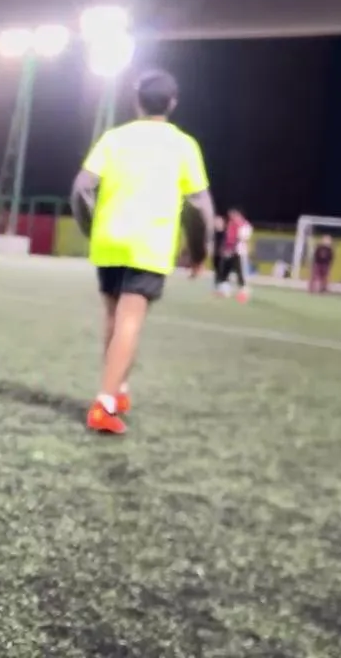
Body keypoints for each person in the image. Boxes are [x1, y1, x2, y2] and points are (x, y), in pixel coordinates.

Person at [71, 69, 215, 435]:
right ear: (172, 103)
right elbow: (198, 205)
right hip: (149, 243)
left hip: (109, 240)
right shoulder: (183, 145)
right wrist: (199, 251)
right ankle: (105, 403)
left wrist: (92, 228)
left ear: (137, 101)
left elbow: (82, 188)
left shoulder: (114, 138)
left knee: (113, 317)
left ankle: (118, 388)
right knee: (130, 320)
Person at [217, 208, 252, 301]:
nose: (231, 217)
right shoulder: (230, 224)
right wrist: (225, 248)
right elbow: (227, 237)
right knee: (225, 271)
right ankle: (225, 290)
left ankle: (243, 291)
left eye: (234, 214)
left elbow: (242, 238)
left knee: (240, 272)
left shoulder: (245, 225)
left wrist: (233, 247)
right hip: (229, 252)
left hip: (239, 252)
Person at [210, 215, 225, 289]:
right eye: (216, 222)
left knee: (222, 269)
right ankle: (217, 284)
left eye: (218, 222)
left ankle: (222, 284)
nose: (216, 224)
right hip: (215, 253)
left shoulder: (224, 233)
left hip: (223, 254)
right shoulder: (214, 233)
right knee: (216, 269)